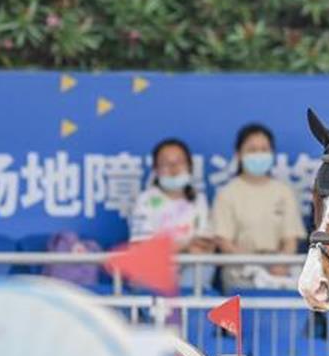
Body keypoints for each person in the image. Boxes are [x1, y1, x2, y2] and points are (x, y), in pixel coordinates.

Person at [212, 123, 306, 291]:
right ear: (239, 155)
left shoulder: (283, 191)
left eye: (264, 149)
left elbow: (290, 239)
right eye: (252, 150)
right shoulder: (227, 193)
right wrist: (255, 265)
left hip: (280, 267)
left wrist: (281, 264)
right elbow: (224, 241)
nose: (259, 155)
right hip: (240, 269)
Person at [129, 137, 216, 291]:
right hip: (156, 269)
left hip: (189, 270)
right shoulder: (146, 200)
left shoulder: (198, 199)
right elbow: (142, 247)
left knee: (205, 266)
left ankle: (185, 310)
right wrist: (184, 246)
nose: (174, 169)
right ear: (156, 170)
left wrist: (198, 246)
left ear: (189, 167)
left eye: (179, 162)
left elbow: (204, 243)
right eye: (166, 164)